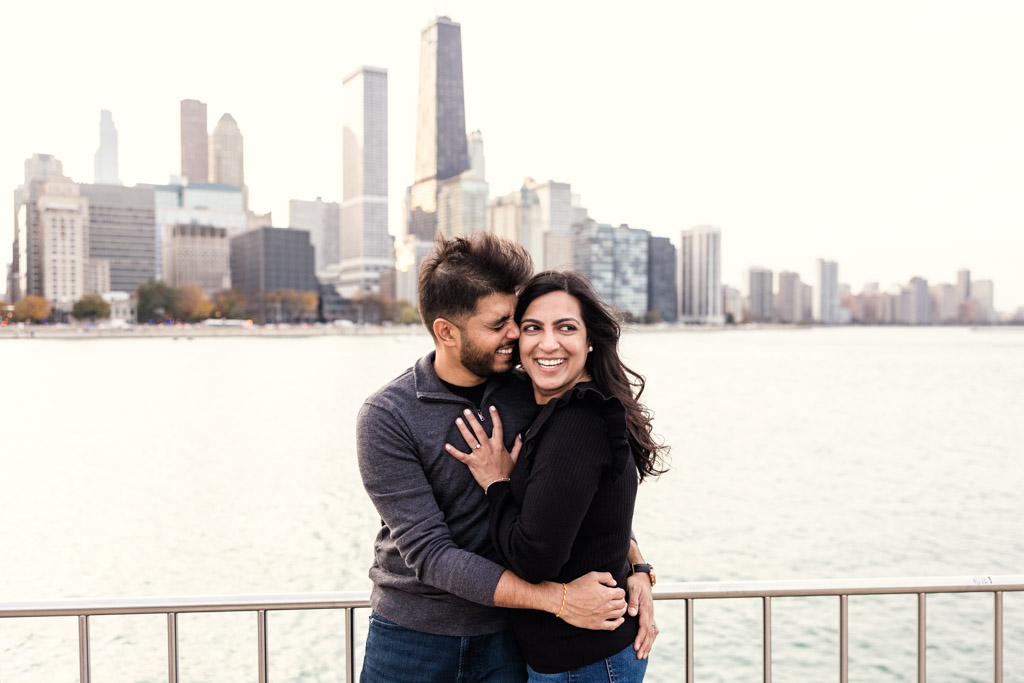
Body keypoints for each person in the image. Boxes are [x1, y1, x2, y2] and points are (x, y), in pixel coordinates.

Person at [356, 234, 657, 683]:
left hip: (510, 640)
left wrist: (635, 567)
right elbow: (431, 554)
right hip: (413, 636)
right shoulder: (387, 416)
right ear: (446, 332)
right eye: (499, 325)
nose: (516, 335)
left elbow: (575, 491)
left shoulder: (532, 389)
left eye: (516, 320)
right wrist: (557, 599)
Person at [446, 270, 668, 681]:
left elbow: (535, 558)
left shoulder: (577, 420)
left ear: (589, 339)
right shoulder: (570, 409)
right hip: (579, 658)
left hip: (582, 662)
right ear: (518, 341)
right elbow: (593, 516)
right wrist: (639, 567)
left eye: (565, 328)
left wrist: (497, 484)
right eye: (533, 328)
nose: (548, 344)